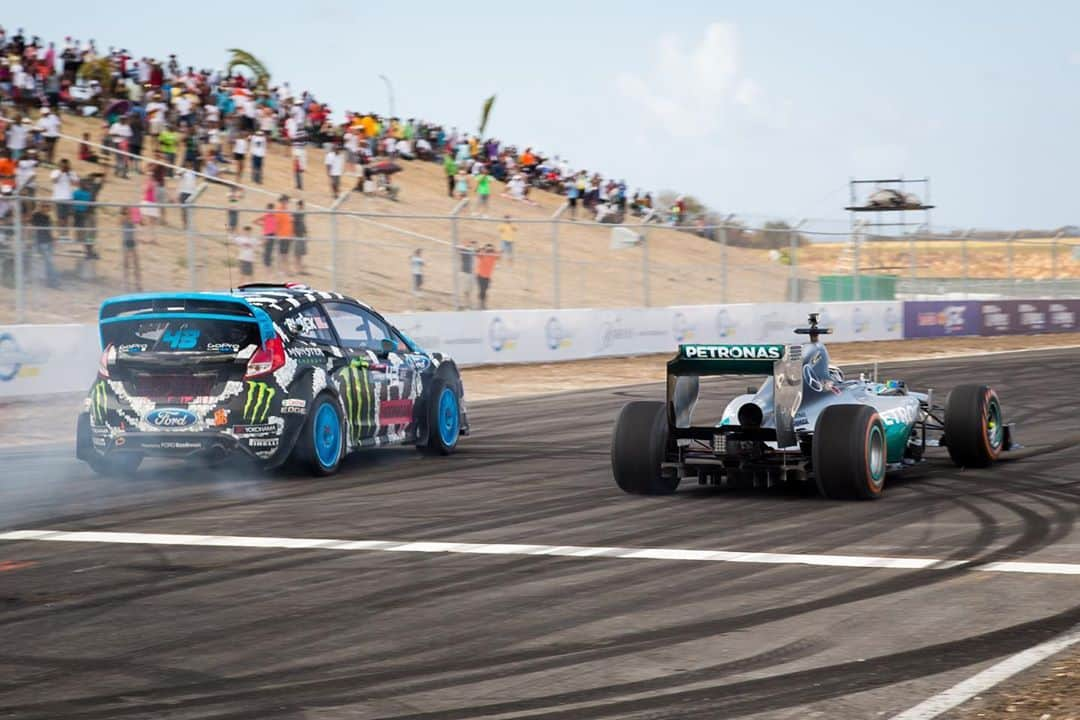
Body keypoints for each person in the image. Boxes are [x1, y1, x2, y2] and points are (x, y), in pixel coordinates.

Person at [31, 203, 59, 288]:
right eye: (46, 206)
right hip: (42, 241)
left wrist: (54, 239)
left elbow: (50, 230)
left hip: (48, 241)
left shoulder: (48, 217)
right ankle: (53, 282)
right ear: (41, 207)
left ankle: (50, 281)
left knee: (49, 262)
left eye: (48, 207)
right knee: (49, 262)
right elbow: (33, 227)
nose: (47, 208)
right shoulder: (36, 215)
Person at [49, 158, 78, 239]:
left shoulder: (72, 173)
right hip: (58, 198)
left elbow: (76, 184)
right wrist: (61, 172)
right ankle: (60, 234)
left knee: (67, 218)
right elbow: (54, 180)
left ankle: (65, 235)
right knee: (60, 218)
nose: (65, 167)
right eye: (63, 165)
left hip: (69, 198)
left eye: (66, 165)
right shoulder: (55, 172)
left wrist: (68, 174)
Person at [121, 206, 141, 291]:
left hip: (132, 242)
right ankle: (126, 283)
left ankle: (138, 283)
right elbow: (121, 221)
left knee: (136, 264)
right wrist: (130, 215)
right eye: (127, 210)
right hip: (126, 242)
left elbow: (142, 222)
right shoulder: (123, 217)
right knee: (126, 264)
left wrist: (137, 215)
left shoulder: (133, 217)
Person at [475, 243, 500, 309]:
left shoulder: (493, 255)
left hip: (488, 277)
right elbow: (477, 253)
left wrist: (493, 249)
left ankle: (483, 304)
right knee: (482, 290)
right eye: (488, 248)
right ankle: (480, 304)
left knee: (485, 291)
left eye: (490, 248)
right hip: (480, 276)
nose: (489, 249)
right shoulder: (483, 254)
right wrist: (483, 248)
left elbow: (499, 256)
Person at [275, 195, 294, 271]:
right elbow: (276, 224)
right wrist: (277, 235)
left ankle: (285, 269)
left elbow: (290, 223)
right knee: (282, 254)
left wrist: (291, 234)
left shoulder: (287, 210)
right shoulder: (278, 210)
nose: (287, 202)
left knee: (286, 253)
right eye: (286, 201)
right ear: (282, 201)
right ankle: (281, 269)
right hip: (282, 235)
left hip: (288, 235)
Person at [457, 239, 477, 308]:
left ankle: (468, 304)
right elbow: (458, 247)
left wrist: (472, 246)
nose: (470, 244)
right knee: (465, 290)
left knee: (469, 290)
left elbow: (476, 249)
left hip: (471, 273)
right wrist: (465, 246)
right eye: (469, 243)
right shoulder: (464, 250)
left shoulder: (472, 251)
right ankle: (463, 304)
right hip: (464, 273)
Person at [292, 199, 307, 273]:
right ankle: (297, 268)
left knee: (300, 253)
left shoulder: (302, 213)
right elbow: (293, 224)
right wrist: (293, 234)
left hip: (301, 235)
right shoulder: (295, 213)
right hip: (297, 235)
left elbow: (303, 224)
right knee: (297, 253)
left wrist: (305, 232)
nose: (302, 207)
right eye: (301, 205)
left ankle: (300, 268)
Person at [261, 202, 276, 268]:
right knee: (267, 248)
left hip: (273, 233)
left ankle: (268, 262)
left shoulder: (274, 216)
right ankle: (266, 262)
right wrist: (263, 226)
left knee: (270, 248)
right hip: (267, 234)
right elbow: (255, 221)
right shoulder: (266, 216)